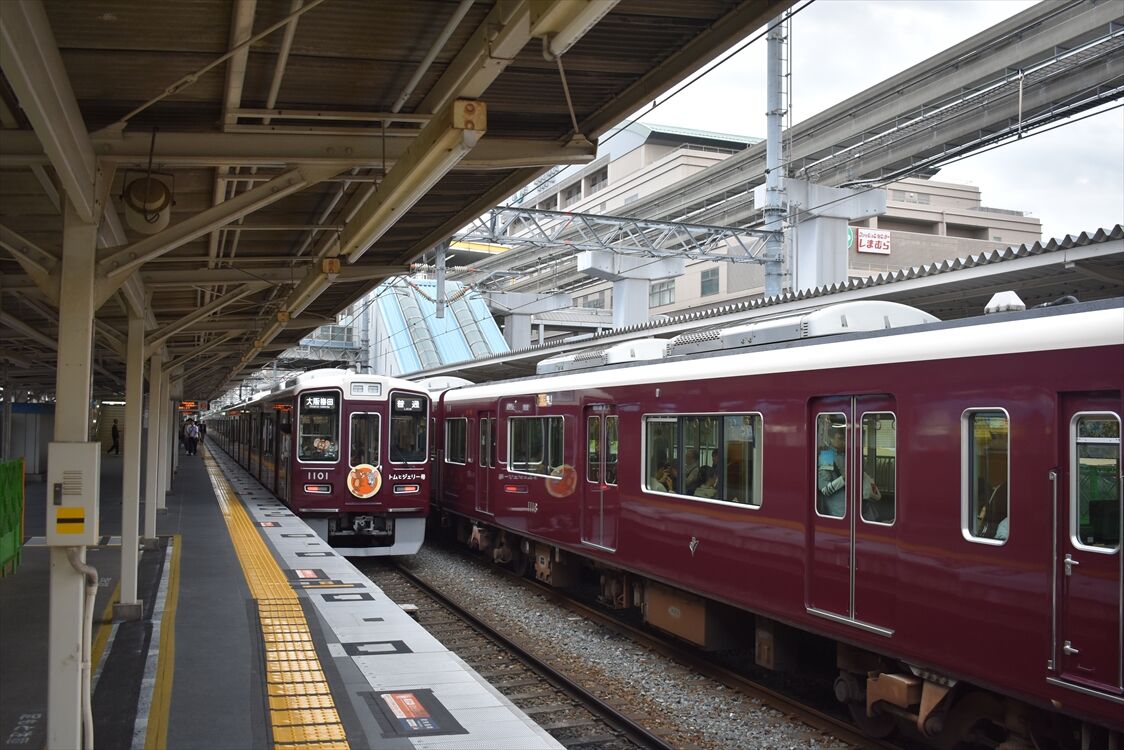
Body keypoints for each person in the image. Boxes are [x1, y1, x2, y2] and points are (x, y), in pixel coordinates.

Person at [817, 427, 847, 516]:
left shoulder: (846, 454)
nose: (843, 442)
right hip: (838, 507)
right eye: (840, 439)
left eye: (845, 439)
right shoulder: (827, 456)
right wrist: (843, 479)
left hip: (849, 502)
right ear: (831, 438)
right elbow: (825, 489)